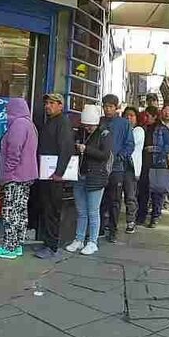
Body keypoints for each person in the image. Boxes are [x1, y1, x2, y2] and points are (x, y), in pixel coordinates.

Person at [0, 98, 39, 259]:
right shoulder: (29, 124)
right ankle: (18, 245)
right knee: (20, 211)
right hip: (26, 176)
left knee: (10, 211)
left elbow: (14, 151)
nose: (6, 113)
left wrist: (7, 171)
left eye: (8, 109)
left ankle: (9, 247)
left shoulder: (18, 125)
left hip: (15, 176)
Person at [66, 104, 114, 256]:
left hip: (96, 177)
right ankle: (79, 239)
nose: (87, 128)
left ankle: (92, 241)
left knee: (93, 211)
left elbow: (105, 155)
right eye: (85, 126)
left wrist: (86, 149)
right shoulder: (80, 132)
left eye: (90, 126)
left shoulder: (105, 134)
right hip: (80, 175)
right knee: (81, 211)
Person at [35, 93, 74, 260]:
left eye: (52, 103)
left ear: (60, 106)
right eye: (47, 103)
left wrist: (59, 173)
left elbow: (66, 148)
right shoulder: (50, 122)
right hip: (45, 173)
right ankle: (47, 241)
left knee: (52, 210)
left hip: (54, 176)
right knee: (46, 208)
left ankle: (52, 245)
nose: (48, 106)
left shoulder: (63, 122)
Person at [99, 94, 136, 241]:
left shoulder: (124, 123)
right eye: (105, 106)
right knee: (100, 200)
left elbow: (130, 144)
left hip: (117, 168)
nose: (107, 109)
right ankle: (100, 228)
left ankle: (113, 231)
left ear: (116, 108)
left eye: (110, 107)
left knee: (115, 201)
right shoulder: (100, 121)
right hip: (100, 167)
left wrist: (120, 156)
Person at [136, 106, 169, 228]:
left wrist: (154, 149)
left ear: (154, 116)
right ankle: (141, 216)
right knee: (142, 191)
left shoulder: (163, 129)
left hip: (157, 164)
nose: (146, 118)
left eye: (148, 116)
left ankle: (155, 216)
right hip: (143, 164)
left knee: (157, 192)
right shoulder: (142, 128)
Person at [124, 107, 145, 231]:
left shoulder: (139, 130)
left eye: (132, 115)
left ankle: (131, 221)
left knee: (130, 196)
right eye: (126, 115)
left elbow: (130, 142)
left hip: (131, 167)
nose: (129, 118)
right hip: (120, 165)